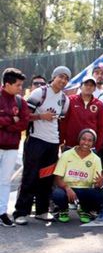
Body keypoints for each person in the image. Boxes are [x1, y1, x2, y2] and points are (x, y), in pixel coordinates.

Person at [13, 66, 71, 225]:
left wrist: (60, 142)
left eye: (66, 78)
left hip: (52, 143)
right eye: (61, 76)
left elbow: (61, 120)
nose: (63, 80)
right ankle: (20, 212)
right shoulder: (39, 93)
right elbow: (24, 117)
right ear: (53, 77)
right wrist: (40, 116)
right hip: (36, 141)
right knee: (30, 176)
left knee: (46, 178)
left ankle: (42, 211)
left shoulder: (65, 100)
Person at [51, 129, 103, 224]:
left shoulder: (96, 159)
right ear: (79, 139)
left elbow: (97, 182)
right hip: (67, 188)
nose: (86, 142)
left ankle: (85, 210)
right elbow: (57, 178)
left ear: (93, 143)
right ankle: (63, 210)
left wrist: (100, 184)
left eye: (90, 140)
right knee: (57, 193)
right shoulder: (66, 155)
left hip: (84, 189)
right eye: (83, 139)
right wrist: (67, 188)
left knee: (102, 194)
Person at [0, 68, 30, 227]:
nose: (20, 88)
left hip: (12, 147)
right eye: (18, 85)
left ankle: (2, 212)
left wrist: (6, 123)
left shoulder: (20, 101)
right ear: (7, 84)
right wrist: (12, 120)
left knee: (4, 181)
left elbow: (24, 123)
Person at [60, 76, 103, 151]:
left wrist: (98, 145)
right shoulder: (70, 100)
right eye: (86, 85)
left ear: (94, 89)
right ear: (80, 87)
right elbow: (64, 121)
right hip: (71, 144)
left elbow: (101, 126)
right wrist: (61, 141)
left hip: (90, 146)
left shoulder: (99, 104)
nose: (88, 87)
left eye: (91, 85)